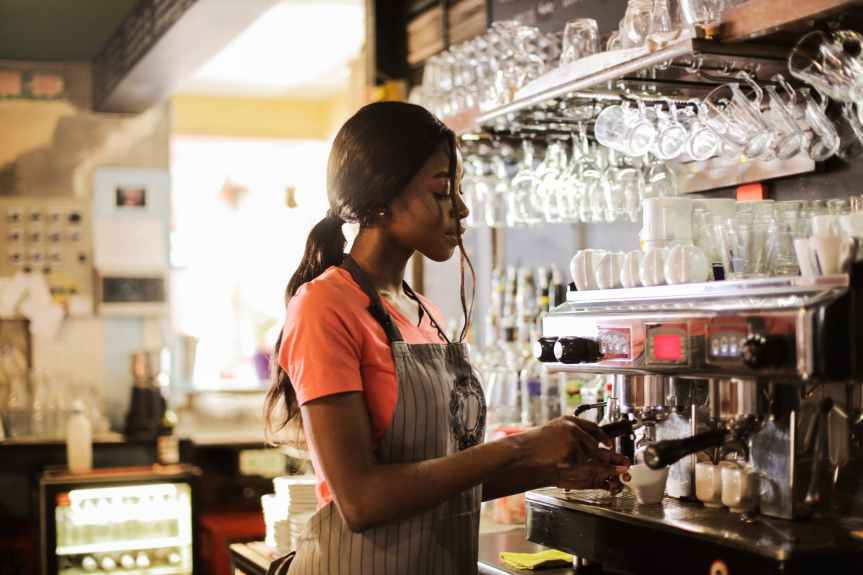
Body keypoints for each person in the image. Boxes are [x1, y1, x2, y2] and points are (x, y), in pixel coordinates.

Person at [264, 101, 629, 574]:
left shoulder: (426, 313)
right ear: (382, 198)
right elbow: (362, 501)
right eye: (442, 192)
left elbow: (443, 480)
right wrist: (520, 446)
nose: (462, 208)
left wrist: (556, 469)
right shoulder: (324, 306)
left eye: (458, 190)